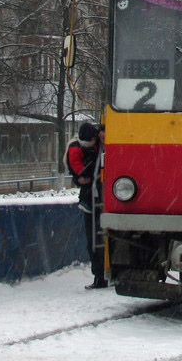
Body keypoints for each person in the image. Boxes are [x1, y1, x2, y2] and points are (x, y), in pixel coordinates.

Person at [67, 121, 107, 290]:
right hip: (92, 198)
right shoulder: (79, 149)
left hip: (101, 197)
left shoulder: (99, 145)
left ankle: (102, 274)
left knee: (98, 238)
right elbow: (79, 171)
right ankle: (100, 275)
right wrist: (81, 178)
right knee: (94, 239)